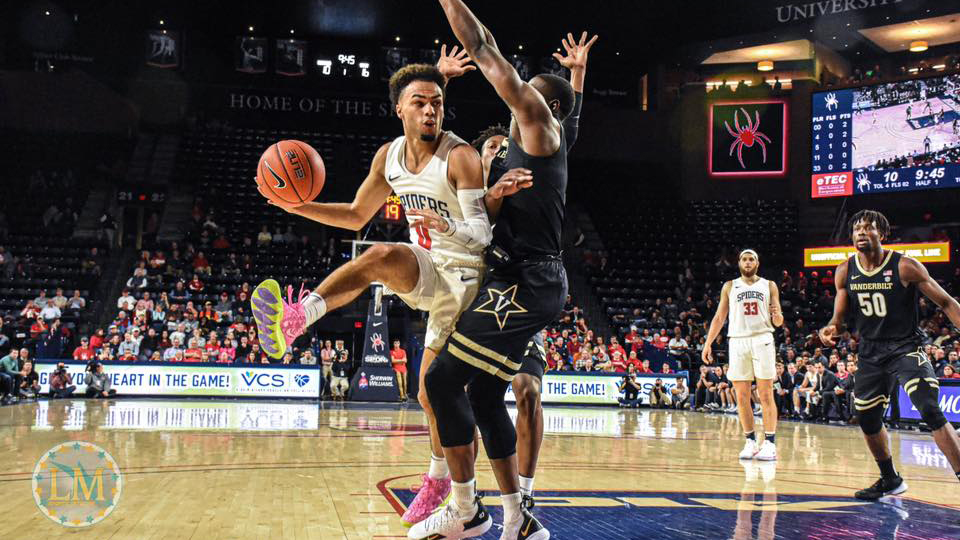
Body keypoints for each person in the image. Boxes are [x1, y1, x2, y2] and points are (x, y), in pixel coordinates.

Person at [251, 54, 531, 528]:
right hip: (427, 263)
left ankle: (441, 479)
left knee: (429, 395)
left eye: (437, 103)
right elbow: (358, 215)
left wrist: (446, 224)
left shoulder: (460, 157)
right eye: (419, 103)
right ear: (399, 110)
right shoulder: (389, 157)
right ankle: (298, 316)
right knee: (378, 254)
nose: (430, 111)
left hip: (464, 279)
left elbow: (482, 237)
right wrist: (300, 208)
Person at [410, 2, 580, 537]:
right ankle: (517, 521)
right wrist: (578, 74)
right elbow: (575, 110)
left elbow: (484, 48)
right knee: (481, 394)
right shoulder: (542, 142)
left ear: (540, 104)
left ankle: (466, 510)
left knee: (439, 382)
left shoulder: (536, 125)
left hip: (526, 281)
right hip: (519, 278)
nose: (516, 93)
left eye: (527, 89)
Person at [819, 210, 960, 500]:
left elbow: (946, 302)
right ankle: (890, 479)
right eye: (856, 228)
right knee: (867, 419)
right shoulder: (845, 271)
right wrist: (830, 329)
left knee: (930, 410)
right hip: (870, 351)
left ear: (881, 234)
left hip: (905, 347)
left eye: (867, 228)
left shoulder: (905, 266)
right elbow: (839, 317)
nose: (860, 232)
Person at [703, 249, 783, 462]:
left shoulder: (769, 285)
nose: (748, 262)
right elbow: (720, 317)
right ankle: (750, 440)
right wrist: (708, 343)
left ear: (757, 262)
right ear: (739, 263)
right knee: (741, 396)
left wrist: (778, 317)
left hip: (762, 339)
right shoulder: (730, 286)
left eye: (752, 259)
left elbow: (778, 320)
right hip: (737, 340)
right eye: (744, 259)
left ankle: (769, 443)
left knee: (765, 394)